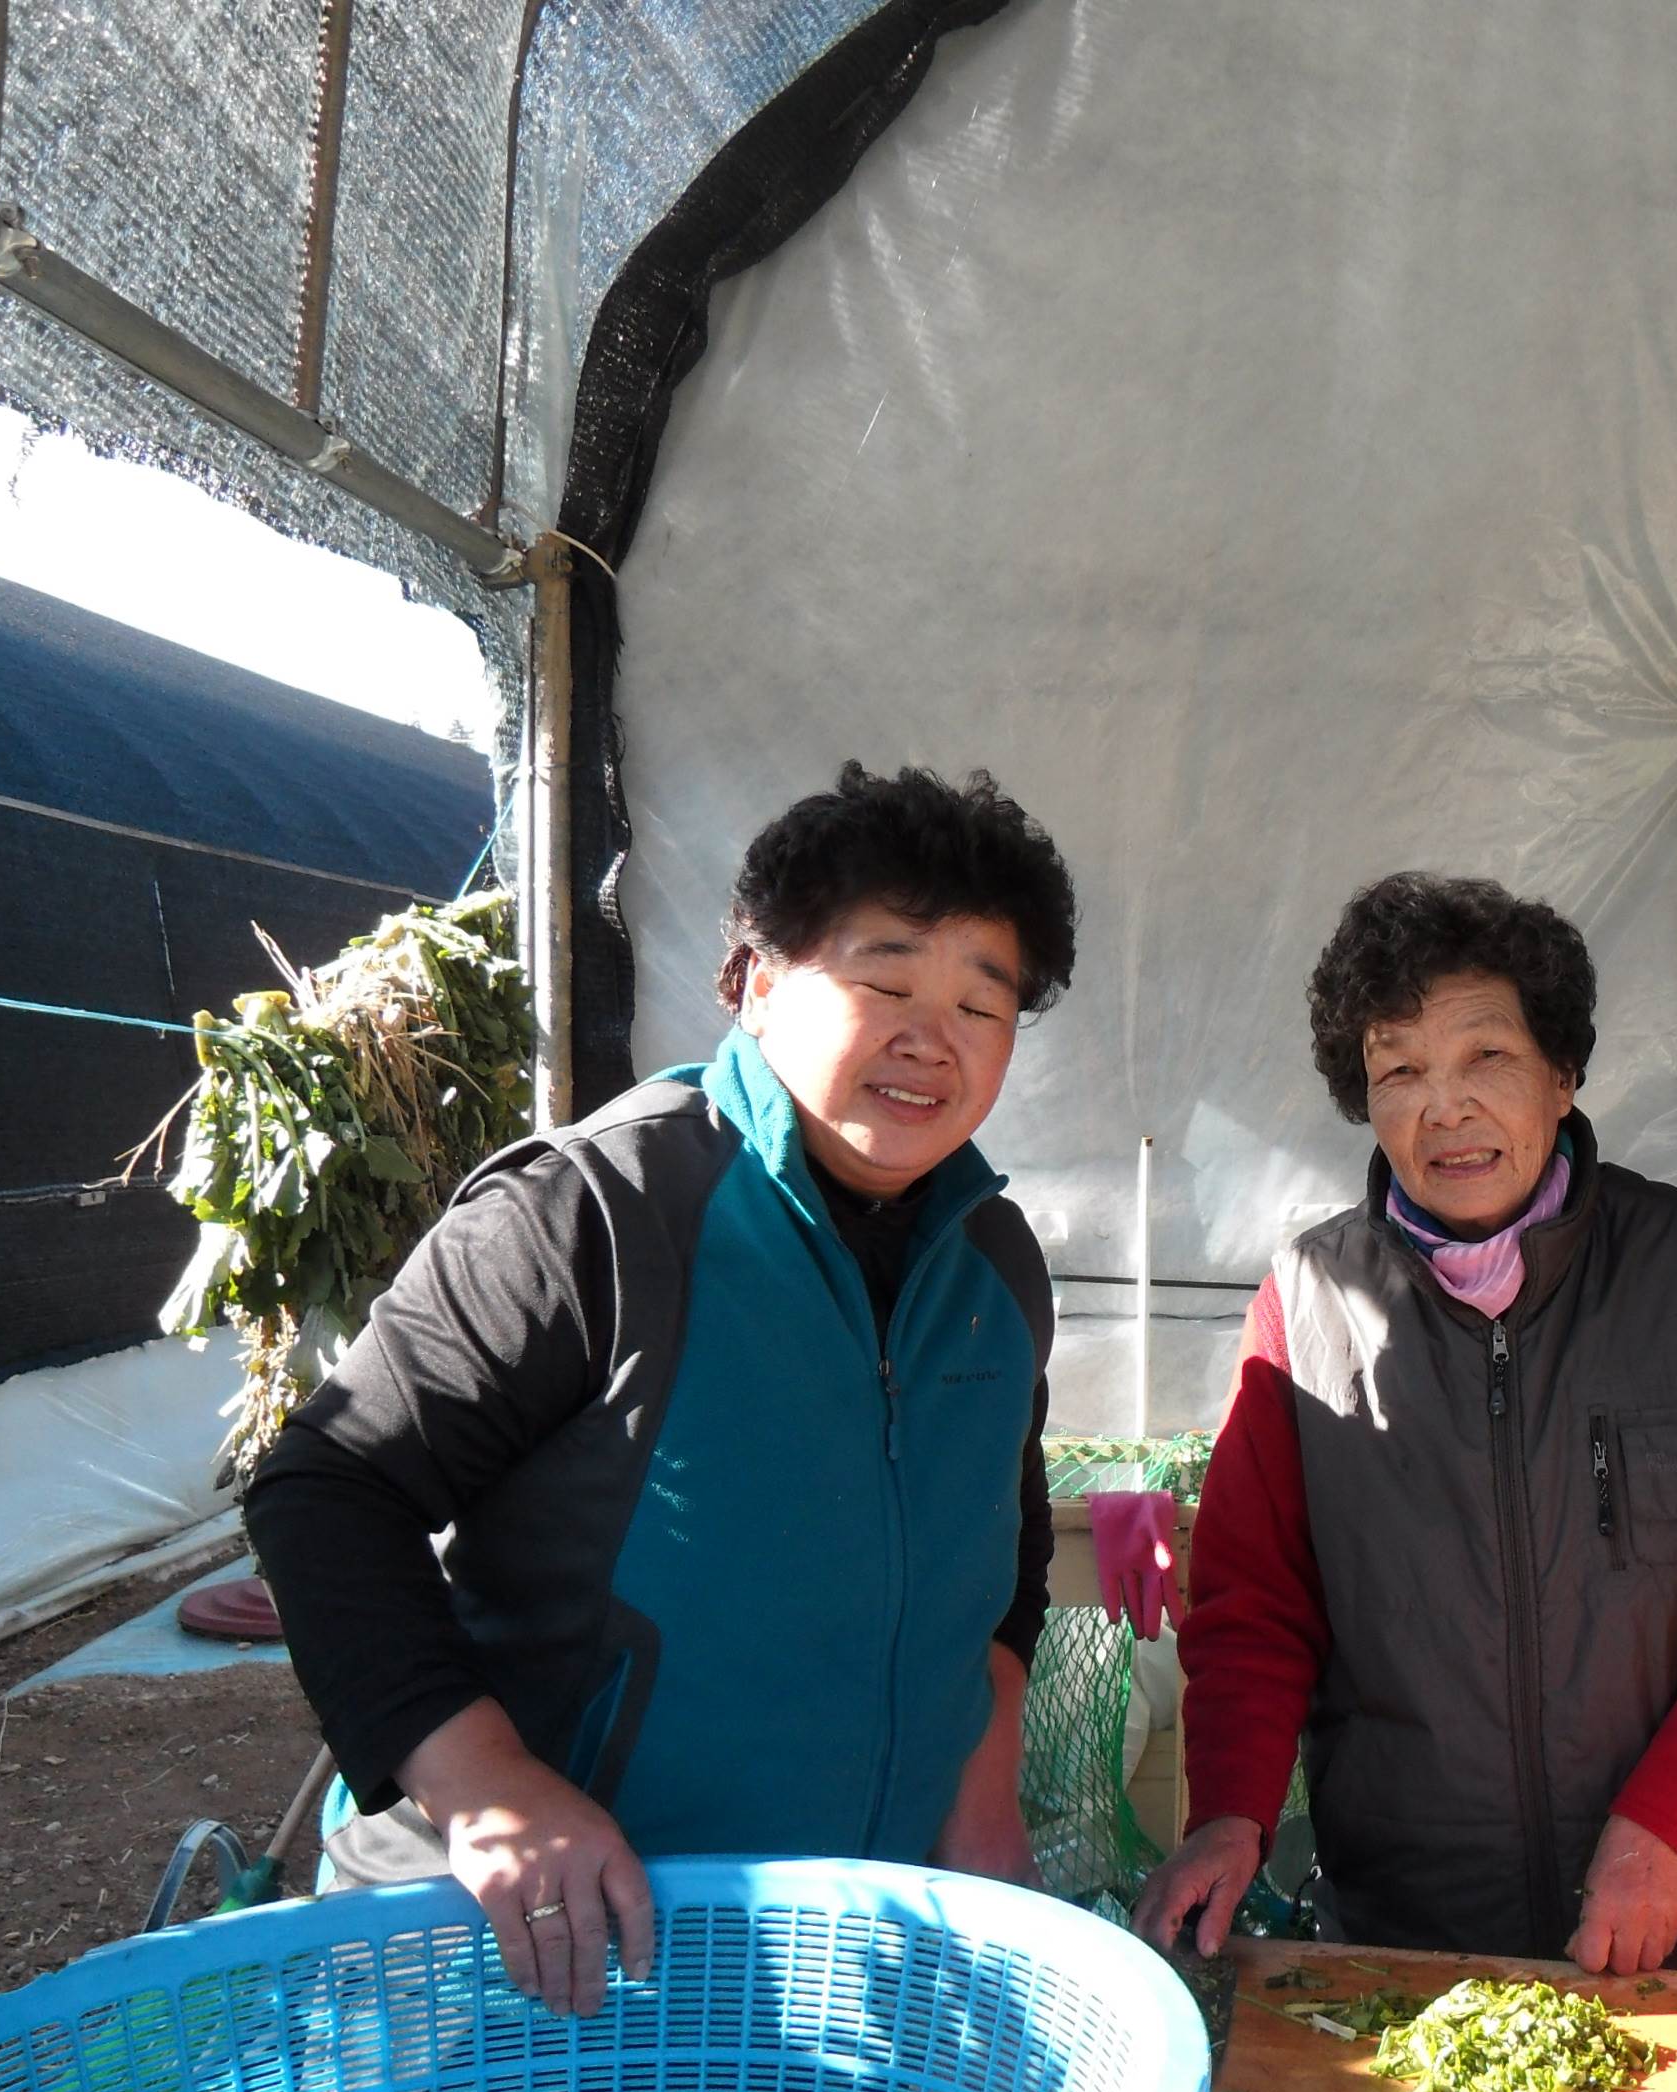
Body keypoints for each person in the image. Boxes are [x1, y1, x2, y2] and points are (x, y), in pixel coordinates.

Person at [248, 764, 1076, 2012]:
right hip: (543, 1948)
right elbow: (328, 1487)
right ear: (755, 984)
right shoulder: (593, 1212)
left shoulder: (994, 1261)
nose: (931, 1039)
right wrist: (485, 1787)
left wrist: (984, 1771)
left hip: (832, 1951)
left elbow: (1003, 1550)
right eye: (887, 982)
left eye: (981, 1003)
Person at [1135, 874, 1677, 1972]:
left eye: (1486, 1057)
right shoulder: (1305, 1306)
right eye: (1399, 1071)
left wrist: (1674, 1825)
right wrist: (1228, 1814)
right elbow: (1252, 1607)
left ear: (1563, 1073)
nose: (1444, 1108)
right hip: (1405, 1933)